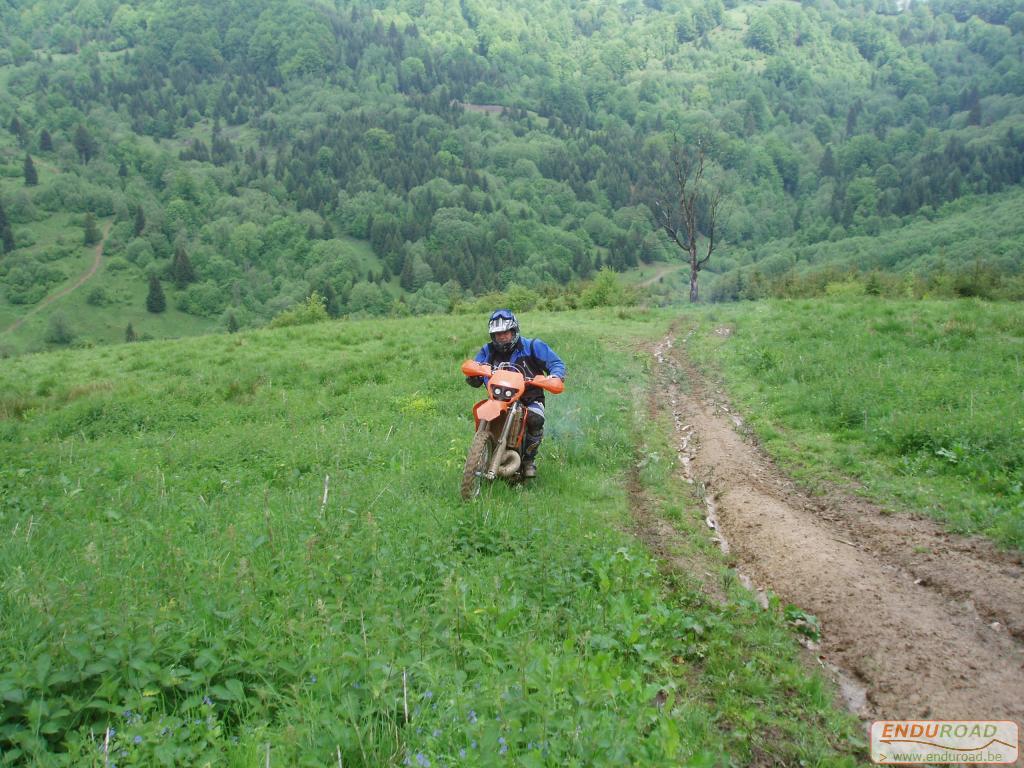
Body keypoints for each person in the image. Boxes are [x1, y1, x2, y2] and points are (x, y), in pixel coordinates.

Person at [466, 309, 565, 478]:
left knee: (535, 418)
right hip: (498, 397)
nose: (502, 336)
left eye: (505, 332)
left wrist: (555, 376)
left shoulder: (533, 346)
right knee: (482, 414)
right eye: (497, 334)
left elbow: (556, 363)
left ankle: (528, 460)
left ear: (514, 331)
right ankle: (481, 453)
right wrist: (473, 373)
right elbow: (476, 365)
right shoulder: (488, 350)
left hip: (530, 398)